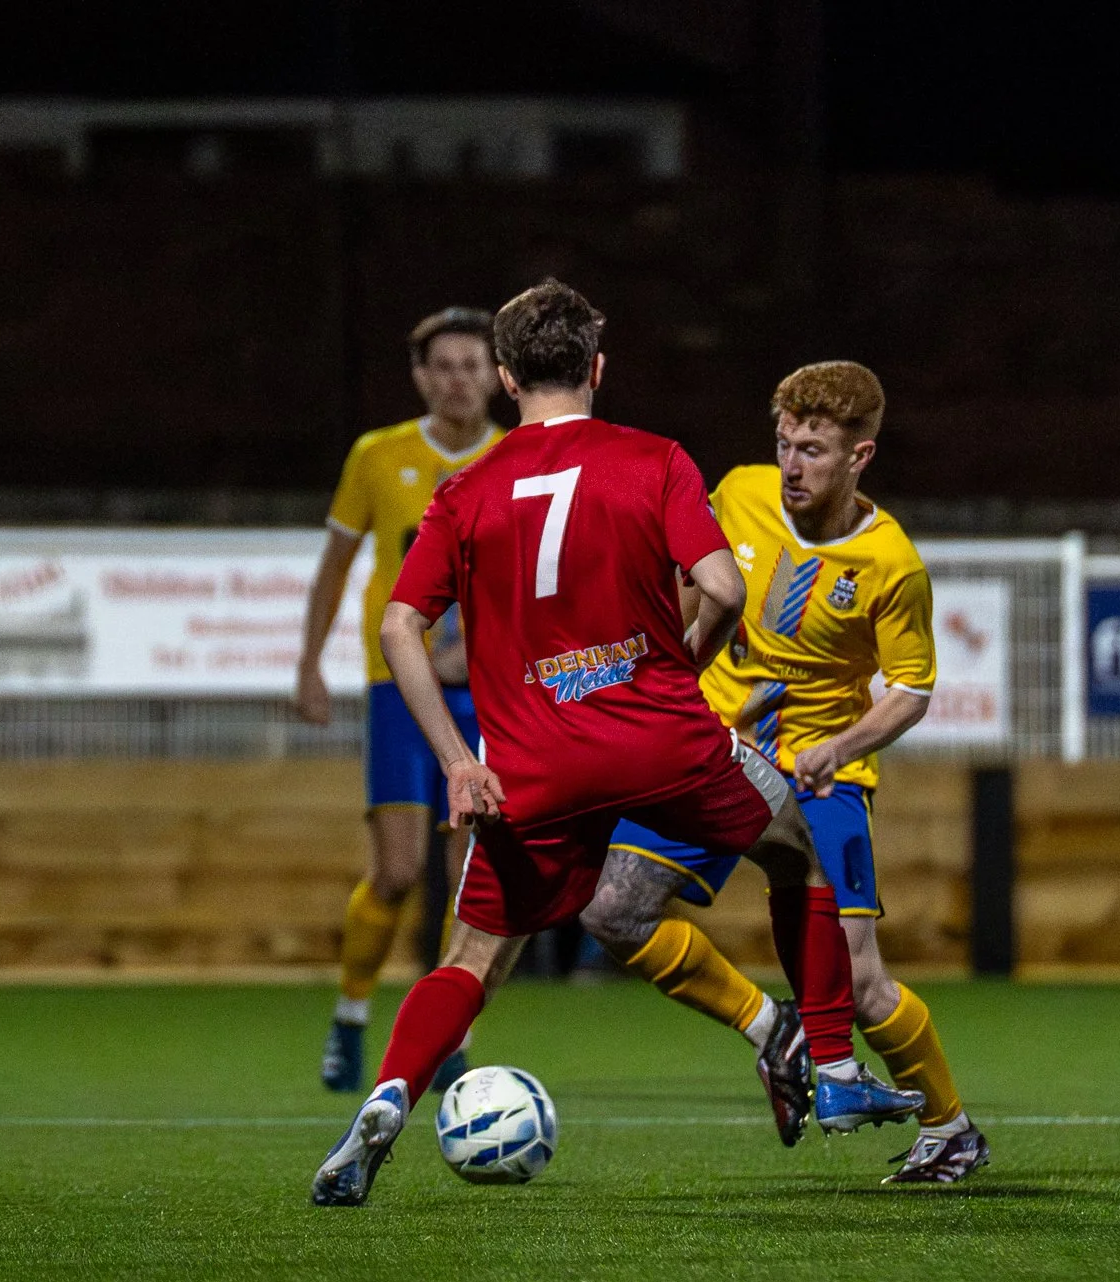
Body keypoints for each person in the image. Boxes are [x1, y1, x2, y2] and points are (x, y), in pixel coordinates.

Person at [312, 282, 921, 1207]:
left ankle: (390, 1093)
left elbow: (401, 625)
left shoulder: (465, 489)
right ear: (598, 368)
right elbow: (720, 583)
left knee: (470, 959)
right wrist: (676, 672)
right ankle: (831, 1064)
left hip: (530, 767)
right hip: (661, 742)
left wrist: (458, 761)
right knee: (798, 847)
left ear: (507, 377)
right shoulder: (656, 460)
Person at [582, 361, 990, 1185]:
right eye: (784, 444)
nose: (792, 464)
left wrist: (841, 747)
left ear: (859, 456)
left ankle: (951, 1129)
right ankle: (778, 1031)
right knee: (612, 911)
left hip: (821, 780)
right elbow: (686, 590)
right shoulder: (737, 494)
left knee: (865, 982)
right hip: (711, 752)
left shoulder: (890, 562)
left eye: (812, 449)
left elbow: (911, 689)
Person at [296, 308, 503, 1092]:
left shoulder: (515, 459)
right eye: (443, 365)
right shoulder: (378, 456)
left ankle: (451, 1037)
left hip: (489, 695)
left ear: (497, 375)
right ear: (421, 376)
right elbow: (336, 566)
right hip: (400, 691)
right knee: (395, 869)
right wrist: (309, 664)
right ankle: (351, 1014)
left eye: (472, 365)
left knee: (467, 874)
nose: (459, 379)